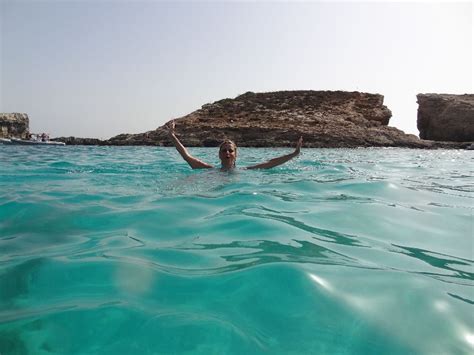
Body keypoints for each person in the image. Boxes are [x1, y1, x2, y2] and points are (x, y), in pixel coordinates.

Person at [167, 120, 303, 170]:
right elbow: (186, 156)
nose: (227, 153)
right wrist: (172, 136)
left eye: (230, 151)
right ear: (219, 154)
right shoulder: (208, 170)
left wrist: (294, 154)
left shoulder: (246, 171)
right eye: (224, 150)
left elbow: (271, 163)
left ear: (235, 154)